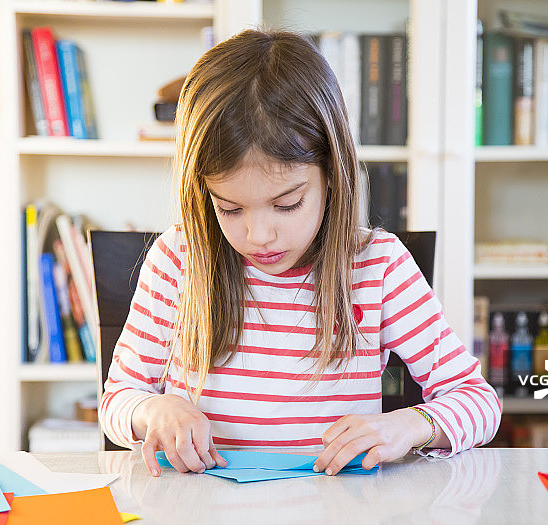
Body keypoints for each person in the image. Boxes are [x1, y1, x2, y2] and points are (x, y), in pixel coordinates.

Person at [99, 29, 501, 478]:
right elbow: (117, 400)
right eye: (229, 208)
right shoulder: (178, 261)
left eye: (287, 204)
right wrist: (153, 411)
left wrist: (409, 425)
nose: (259, 236)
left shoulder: (377, 266)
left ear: (332, 173)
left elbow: (478, 401)